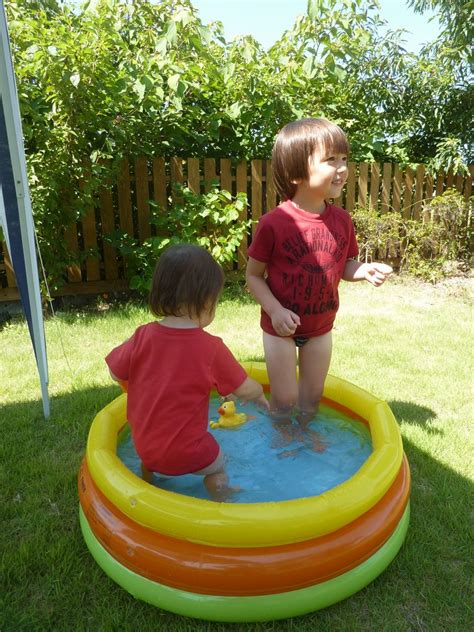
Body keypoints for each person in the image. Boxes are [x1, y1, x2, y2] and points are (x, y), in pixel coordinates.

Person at [246, 118, 392, 446]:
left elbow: (344, 266)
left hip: (320, 328)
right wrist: (275, 310)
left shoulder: (342, 221)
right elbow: (253, 276)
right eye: (331, 160)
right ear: (297, 172)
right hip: (280, 328)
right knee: (283, 399)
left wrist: (363, 271)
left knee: (312, 398)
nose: (342, 168)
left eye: (344, 159)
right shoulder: (274, 223)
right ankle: (282, 438)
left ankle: (304, 432)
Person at [106, 243, 269, 501]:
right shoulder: (211, 348)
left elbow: (115, 373)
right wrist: (259, 394)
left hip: (145, 448)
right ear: (206, 302)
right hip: (190, 455)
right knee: (217, 463)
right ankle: (221, 495)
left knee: (152, 453)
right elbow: (244, 388)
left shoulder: (141, 336)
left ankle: (148, 482)